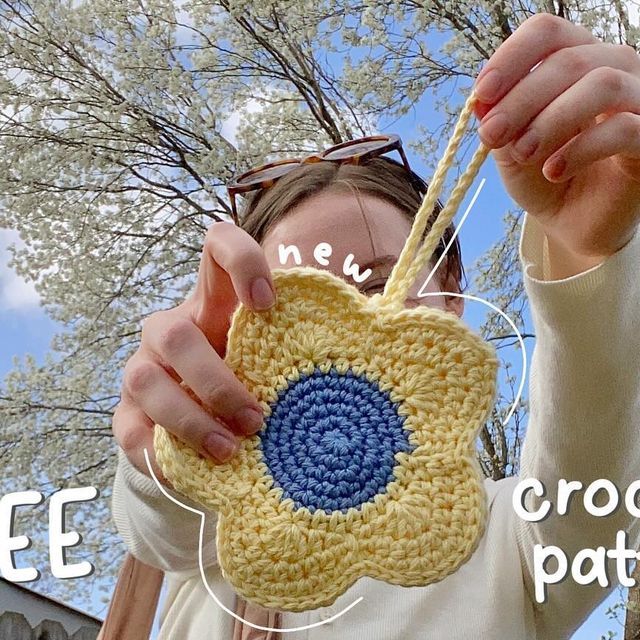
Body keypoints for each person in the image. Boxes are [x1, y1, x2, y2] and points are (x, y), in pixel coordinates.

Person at [110, 13, 640, 640]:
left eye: (376, 282)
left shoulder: (509, 538)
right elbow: (163, 526)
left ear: (450, 298)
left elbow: (591, 479)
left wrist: (586, 257)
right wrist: (161, 452)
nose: (343, 324)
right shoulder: (224, 537)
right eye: (295, 306)